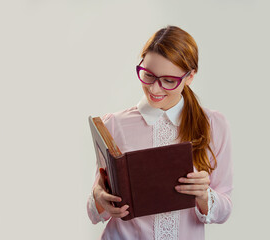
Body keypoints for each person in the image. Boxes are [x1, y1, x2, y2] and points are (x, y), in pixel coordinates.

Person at [87, 25, 233, 240]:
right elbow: (93, 212)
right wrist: (99, 198)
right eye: (148, 75)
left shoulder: (214, 125)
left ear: (190, 76)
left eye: (168, 81)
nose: (155, 89)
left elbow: (224, 210)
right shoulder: (113, 124)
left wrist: (203, 195)